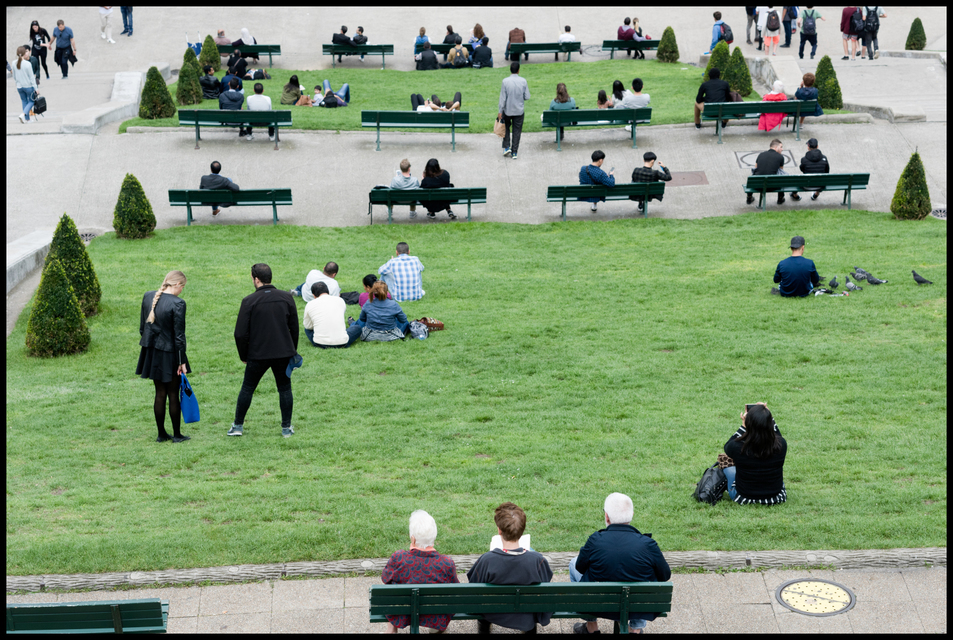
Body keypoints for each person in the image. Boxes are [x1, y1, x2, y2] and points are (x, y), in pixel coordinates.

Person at [569, 493, 671, 634]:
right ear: (632, 515)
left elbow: (579, 567)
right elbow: (665, 575)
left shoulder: (595, 540)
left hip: (600, 603)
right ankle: (634, 629)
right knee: (649, 576)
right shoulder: (648, 545)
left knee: (572, 562)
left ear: (607, 516)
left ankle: (591, 627)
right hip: (635, 605)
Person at [230, 263, 298, 438]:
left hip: (257, 354)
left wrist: (243, 355)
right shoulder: (287, 298)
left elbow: (240, 333)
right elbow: (294, 328)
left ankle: (238, 426)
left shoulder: (249, 301)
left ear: (256, 279)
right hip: (283, 352)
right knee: (284, 389)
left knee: (247, 388)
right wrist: (292, 351)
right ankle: (286, 428)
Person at [466, 502, 554, 633]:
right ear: (522, 530)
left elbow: (473, 583)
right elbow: (545, 582)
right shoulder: (537, 560)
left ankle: (484, 628)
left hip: (492, 612)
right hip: (526, 615)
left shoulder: (487, 560)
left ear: (499, 530)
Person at [381, 510, 459, 634]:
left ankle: (391, 629)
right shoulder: (447, 562)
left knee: (390, 590)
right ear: (434, 537)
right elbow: (455, 589)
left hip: (404, 612)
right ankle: (436, 628)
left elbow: (385, 578)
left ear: (413, 538)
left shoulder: (399, 557)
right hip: (434, 613)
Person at [136, 270, 191, 443]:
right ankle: (176, 435)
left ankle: (161, 434)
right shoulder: (178, 303)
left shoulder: (148, 296)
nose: (182, 290)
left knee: (159, 392)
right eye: (182, 286)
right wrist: (182, 361)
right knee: (173, 393)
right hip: (170, 353)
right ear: (177, 284)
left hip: (152, 352)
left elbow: (142, 328)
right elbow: (179, 336)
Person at [723, 402, 787, 504]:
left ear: (749, 424)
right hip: (775, 497)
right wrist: (769, 417)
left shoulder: (737, 447)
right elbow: (777, 435)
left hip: (744, 498)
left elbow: (727, 446)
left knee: (728, 468)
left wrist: (744, 426)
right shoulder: (781, 445)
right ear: (769, 424)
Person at [303, 282, 361, 348]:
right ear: (328, 291)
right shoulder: (340, 300)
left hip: (320, 343)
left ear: (314, 295)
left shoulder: (310, 304)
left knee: (307, 329)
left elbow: (308, 326)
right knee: (357, 328)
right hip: (342, 342)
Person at [499, 62, 530, 160]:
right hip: (519, 110)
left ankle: (507, 147)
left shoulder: (505, 81)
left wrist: (500, 111)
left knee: (506, 128)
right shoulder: (523, 81)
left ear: (510, 70)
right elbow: (527, 96)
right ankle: (514, 152)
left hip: (507, 110)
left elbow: (503, 98)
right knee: (517, 131)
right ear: (518, 70)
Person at [747, 139, 787, 206]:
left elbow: (755, 168)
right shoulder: (780, 157)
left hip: (757, 185)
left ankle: (749, 197)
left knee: (754, 175)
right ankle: (780, 198)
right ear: (775, 147)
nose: (782, 149)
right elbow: (780, 171)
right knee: (781, 177)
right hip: (772, 186)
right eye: (781, 147)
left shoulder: (761, 154)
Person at [794, 137, 830, 201]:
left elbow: (802, 169)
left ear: (808, 147)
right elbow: (827, 171)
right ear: (817, 146)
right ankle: (816, 194)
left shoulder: (804, 159)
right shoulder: (824, 158)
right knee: (822, 178)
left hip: (806, 185)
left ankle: (794, 194)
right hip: (820, 185)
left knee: (795, 180)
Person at [13, 47, 37, 124]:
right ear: (24, 53)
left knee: (24, 101)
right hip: (28, 86)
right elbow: (32, 77)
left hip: (19, 86)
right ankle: (23, 114)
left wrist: (17, 83)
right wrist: (36, 88)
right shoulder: (28, 64)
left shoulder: (14, 63)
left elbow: (14, 76)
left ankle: (27, 119)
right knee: (31, 102)